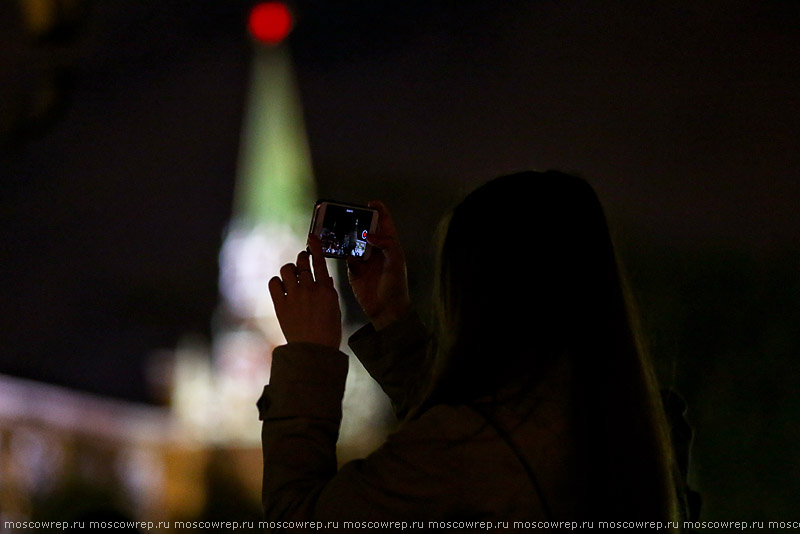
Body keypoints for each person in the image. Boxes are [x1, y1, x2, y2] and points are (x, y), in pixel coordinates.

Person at [259, 170, 692, 528]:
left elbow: (298, 519)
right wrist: (392, 319)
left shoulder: (464, 447)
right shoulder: (620, 415)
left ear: (477, 294)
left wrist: (311, 357)